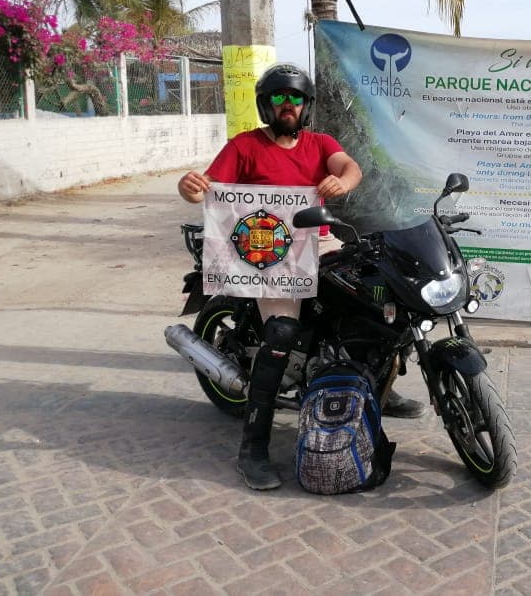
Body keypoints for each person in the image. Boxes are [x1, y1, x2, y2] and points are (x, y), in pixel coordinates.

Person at [177, 63, 425, 490]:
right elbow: (209, 185)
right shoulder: (244, 146)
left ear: (306, 106)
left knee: (376, 301)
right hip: (268, 253)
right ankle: (252, 447)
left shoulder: (320, 142)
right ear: (265, 105)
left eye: (295, 98)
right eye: (278, 98)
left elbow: (350, 168)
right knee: (281, 333)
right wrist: (191, 187)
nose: (287, 105)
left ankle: (379, 389)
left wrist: (341, 183)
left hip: (321, 243)